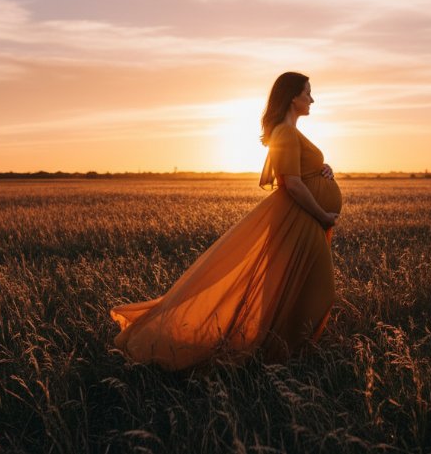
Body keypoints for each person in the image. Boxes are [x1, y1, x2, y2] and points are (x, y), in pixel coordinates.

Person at [110, 72, 342, 371]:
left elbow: (302, 173)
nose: (312, 99)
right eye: (307, 92)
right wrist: (322, 215)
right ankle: (277, 355)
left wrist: (323, 168)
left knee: (299, 288)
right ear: (292, 97)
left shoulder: (290, 132)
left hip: (303, 220)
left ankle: (286, 355)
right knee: (320, 291)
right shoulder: (285, 133)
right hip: (301, 220)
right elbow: (293, 184)